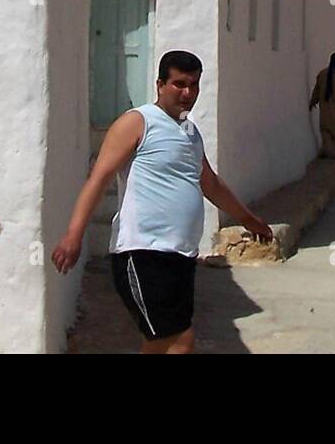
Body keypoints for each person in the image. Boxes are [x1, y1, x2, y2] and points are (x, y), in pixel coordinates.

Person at [51, 49, 272, 354]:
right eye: (179, 84)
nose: (187, 93)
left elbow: (210, 183)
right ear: (160, 85)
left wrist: (248, 219)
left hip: (180, 255)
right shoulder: (138, 122)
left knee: (158, 345)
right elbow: (99, 179)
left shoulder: (190, 133)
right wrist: (74, 234)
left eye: (193, 85)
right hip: (143, 253)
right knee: (179, 341)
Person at [309, 51, 335, 158]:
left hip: (326, 107)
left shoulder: (323, 74)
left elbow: (316, 90)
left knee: (326, 130)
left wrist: (312, 102)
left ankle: (328, 151)